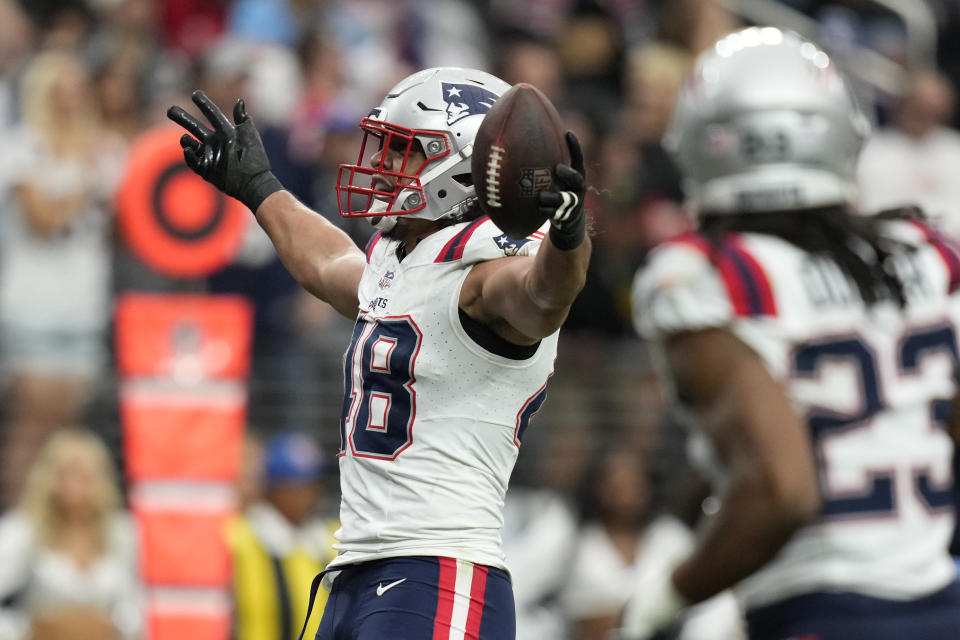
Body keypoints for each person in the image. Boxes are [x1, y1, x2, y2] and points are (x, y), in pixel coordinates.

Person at [167, 66, 590, 639]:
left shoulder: (489, 272)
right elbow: (327, 264)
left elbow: (544, 296)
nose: (384, 166)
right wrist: (259, 187)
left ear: (463, 167)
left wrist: (568, 239)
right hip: (357, 569)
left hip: (438, 569)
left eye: (403, 152)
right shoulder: (408, 258)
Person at [625, 27, 960, 640]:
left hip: (820, 611)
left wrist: (662, 603)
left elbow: (780, 492)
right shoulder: (926, 253)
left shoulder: (705, 273)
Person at [0, 428, 142, 640]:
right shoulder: (22, 531)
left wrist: (116, 624)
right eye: (66, 474)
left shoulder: (124, 533)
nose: (75, 486)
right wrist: (27, 627)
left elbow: (147, 604)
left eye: (85, 476)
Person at [228, 431, 338, 640]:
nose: (305, 497)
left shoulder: (330, 539)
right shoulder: (242, 537)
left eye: (310, 486)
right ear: (272, 489)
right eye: (293, 488)